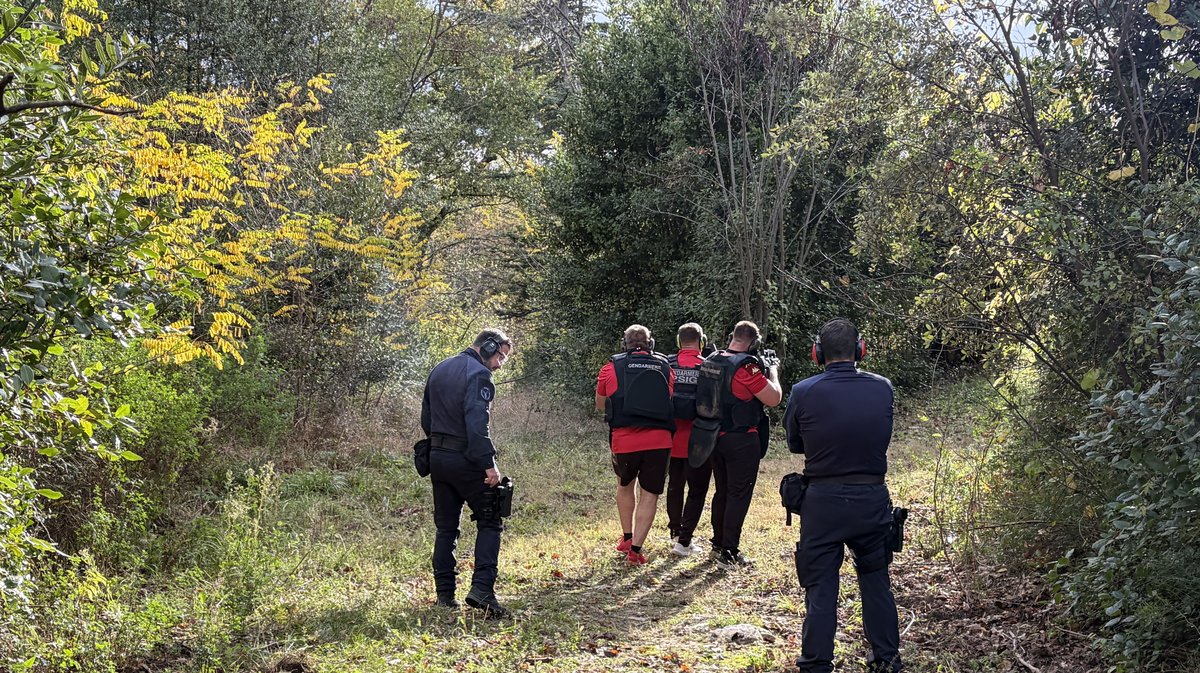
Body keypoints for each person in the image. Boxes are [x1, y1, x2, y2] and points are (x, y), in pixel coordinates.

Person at [783, 318, 903, 673]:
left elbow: (794, 443)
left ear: (818, 353)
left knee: (820, 586)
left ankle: (816, 664)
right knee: (877, 580)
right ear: (860, 350)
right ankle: (887, 658)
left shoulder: (803, 391)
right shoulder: (883, 388)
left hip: (822, 502)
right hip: (871, 498)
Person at [420, 328, 514, 618]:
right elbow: (477, 425)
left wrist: (441, 445)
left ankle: (445, 596)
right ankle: (482, 589)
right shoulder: (479, 375)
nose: (499, 364)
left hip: (437, 457)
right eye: (500, 356)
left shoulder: (439, 369)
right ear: (487, 347)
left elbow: (426, 418)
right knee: (491, 520)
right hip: (466, 459)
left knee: (446, 527)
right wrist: (489, 463)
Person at [701, 320, 782, 566]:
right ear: (753, 342)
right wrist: (774, 372)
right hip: (741, 438)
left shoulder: (712, 358)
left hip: (712, 435)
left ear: (732, 336)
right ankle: (729, 550)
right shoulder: (747, 368)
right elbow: (774, 398)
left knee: (722, 491)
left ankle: (717, 544)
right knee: (738, 494)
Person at [595, 324, 675, 565]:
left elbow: (601, 404)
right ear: (650, 344)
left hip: (624, 441)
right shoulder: (665, 367)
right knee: (649, 495)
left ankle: (627, 538)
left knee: (624, 485)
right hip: (659, 441)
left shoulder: (610, 368)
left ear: (625, 344)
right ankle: (636, 551)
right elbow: (667, 399)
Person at [665, 323, 710, 557]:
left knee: (675, 486)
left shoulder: (667, 364)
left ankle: (675, 532)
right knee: (697, 490)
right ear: (701, 341)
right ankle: (684, 541)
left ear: (678, 341)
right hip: (700, 441)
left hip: (671, 438)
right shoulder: (708, 366)